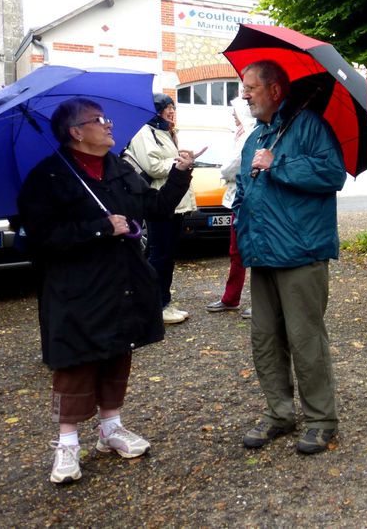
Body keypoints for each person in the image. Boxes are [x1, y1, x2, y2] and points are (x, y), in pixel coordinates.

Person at [17, 98, 198, 484]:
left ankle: (110, 428)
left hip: (123, 281)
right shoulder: (48, 177)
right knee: (76, 360)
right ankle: (67, 444)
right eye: (98, 120)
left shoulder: (119, 168)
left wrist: (181, 172)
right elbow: (41, 238)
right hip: (77, 288)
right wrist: (100, 228)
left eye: (107, 117)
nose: (109, 124)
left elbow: (157, 206)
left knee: (118, 350)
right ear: (76, 132)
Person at [233, 60, 347, 454]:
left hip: (300, 253)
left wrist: (277, 162)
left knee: (305, 339)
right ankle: (279, 413)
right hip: (262, 253)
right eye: (243, 87)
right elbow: (244, 188)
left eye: (250, 87)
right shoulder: (258, 135)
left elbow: (333, 174)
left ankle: (321, 419)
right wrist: (241, 212)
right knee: (265, 339)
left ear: (275, 90)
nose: (244, 94)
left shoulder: (310, 126)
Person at [124, 93, 197, 324]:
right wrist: (179, 164)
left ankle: (163, 301)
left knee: (167, 256)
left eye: (173, 107)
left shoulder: (165, 132)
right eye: (167, 108)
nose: (172, 111)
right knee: (159, 256)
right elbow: (153, 166)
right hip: (158, 201)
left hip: (174, 202)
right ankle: (156, 305)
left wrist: (180, 160)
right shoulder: (144, 132)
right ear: (156, 110)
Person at [206, 100, 254, 317]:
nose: (233, 117)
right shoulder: (241, 133)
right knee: (237, 252)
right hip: (238, 199)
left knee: (250, 251)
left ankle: (260, 302)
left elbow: (233, 166)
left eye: (235, 113)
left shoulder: (249, 134)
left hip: (246, 201)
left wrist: (224, 172)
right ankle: (231, 297)